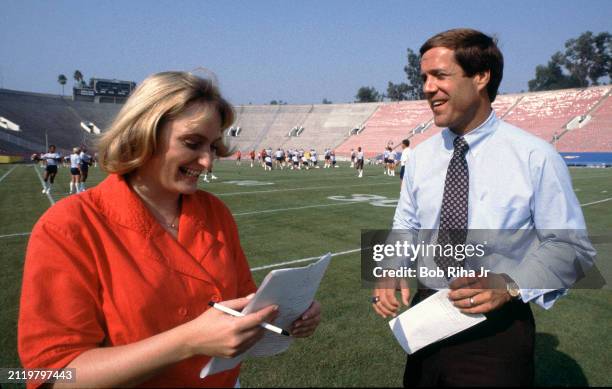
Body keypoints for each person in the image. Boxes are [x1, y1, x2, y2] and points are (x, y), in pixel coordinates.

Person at [19, 71, 321, 388]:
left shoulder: (214, 212)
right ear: (142, 133)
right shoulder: (69, 225)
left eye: (213, 147)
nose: (208, 162)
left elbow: (243, 303)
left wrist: (287, 312)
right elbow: (51, 376)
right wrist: (185, 342)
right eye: (193, 143)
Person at [371, 28, 595, 386]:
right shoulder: (421, 157)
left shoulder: (535, 156)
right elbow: (406, 224)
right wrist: (389, 265)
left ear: (480, 77)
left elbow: (572, 249)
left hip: (496, 328)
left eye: (440, 75)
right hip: (425, 315)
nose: (427, 87)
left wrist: (509, 283)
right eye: (424, 77)